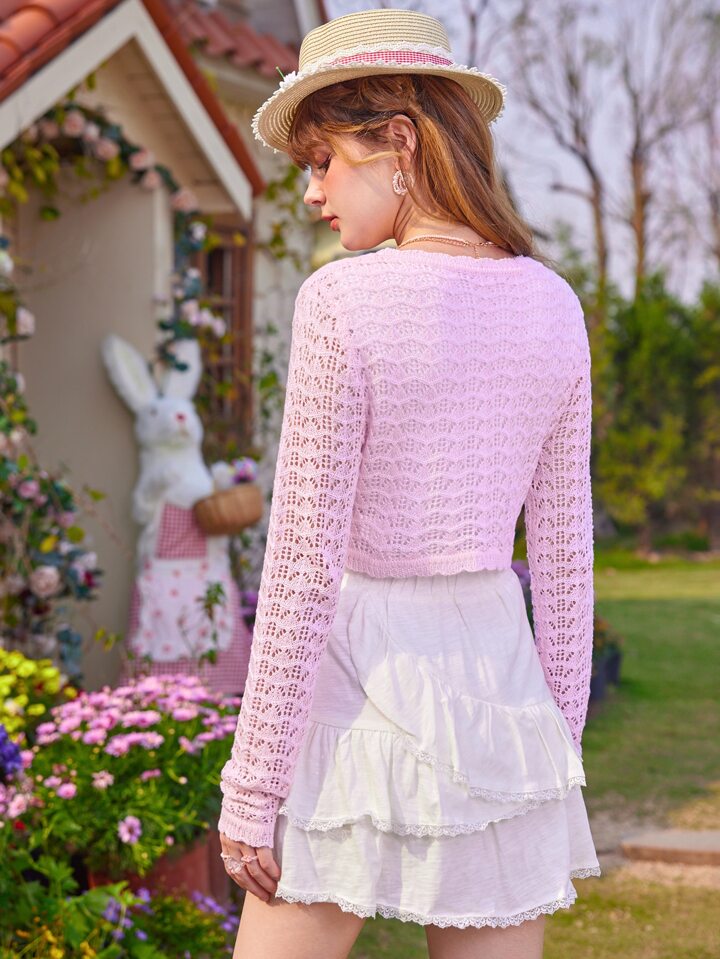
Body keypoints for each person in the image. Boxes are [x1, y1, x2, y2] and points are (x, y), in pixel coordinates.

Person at [217, 8, 601, 959]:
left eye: (323, 161)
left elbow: (302, 562)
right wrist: (557, 748)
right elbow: (564, 560)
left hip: (357, 681)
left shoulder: (343, 301)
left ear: (399, 140)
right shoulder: (554, 304)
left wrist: (252, 787)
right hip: (500, 686)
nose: (313, 191)